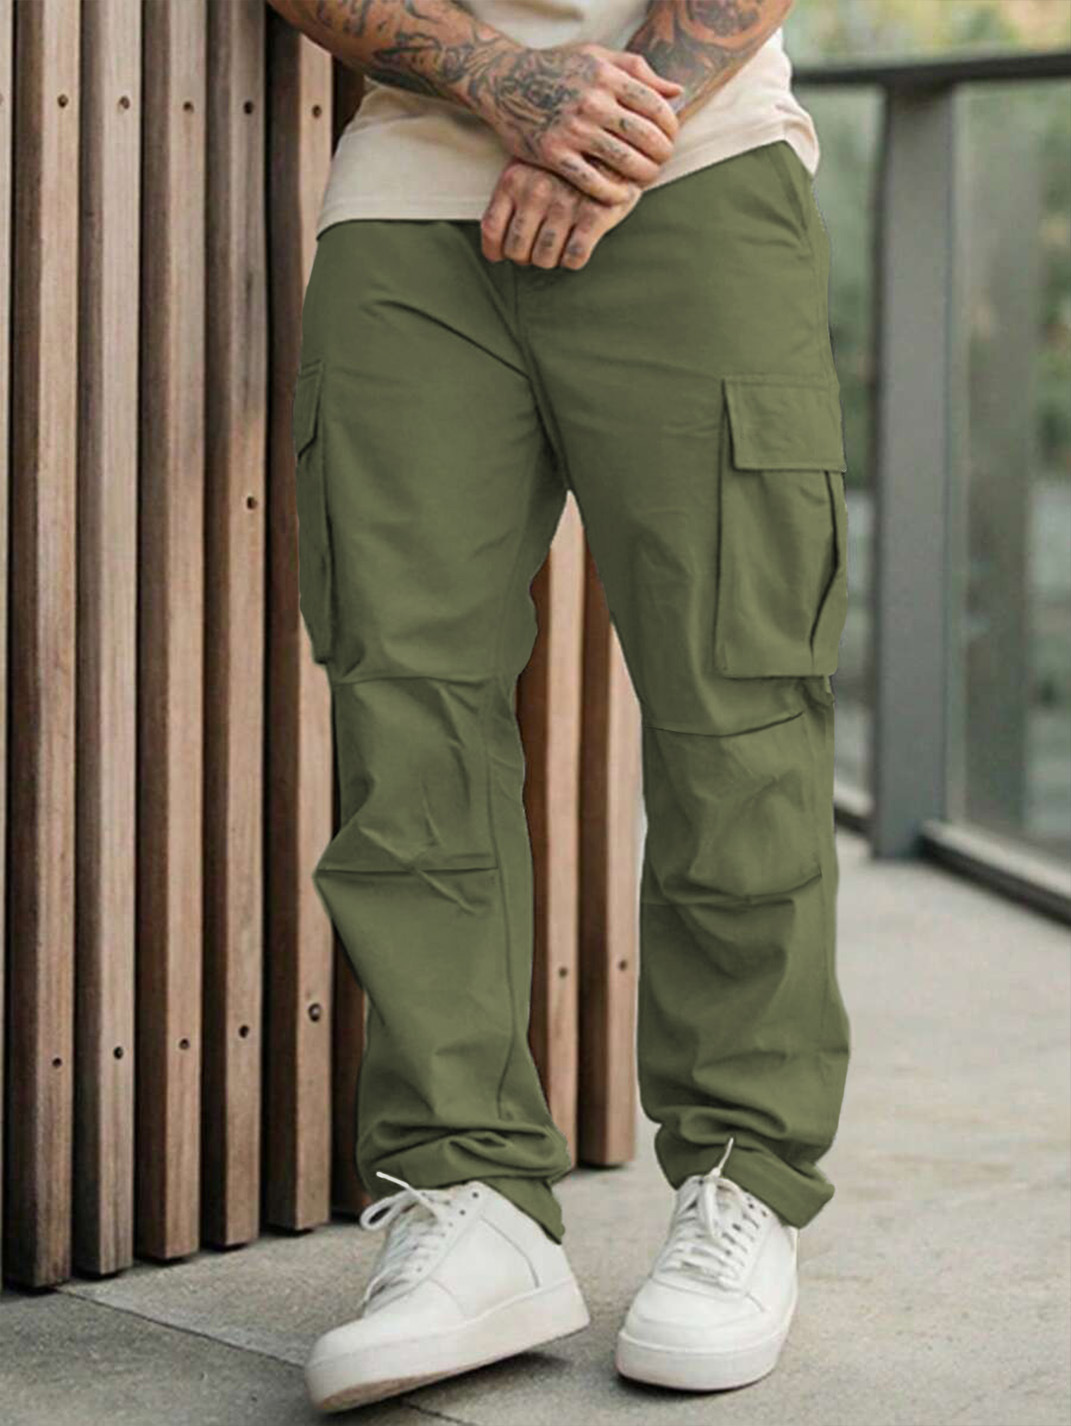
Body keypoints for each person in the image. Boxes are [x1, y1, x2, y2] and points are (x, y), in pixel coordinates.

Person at [271, 0, 852, 1413]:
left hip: (701, 169)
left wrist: (602, 130)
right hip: (408, 203)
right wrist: (508, 87)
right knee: (406, 716)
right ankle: (467, 1197)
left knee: (740, 709)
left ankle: (744, 1180)